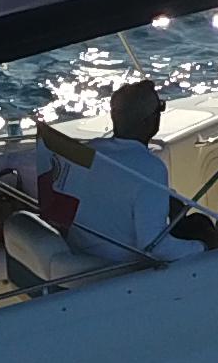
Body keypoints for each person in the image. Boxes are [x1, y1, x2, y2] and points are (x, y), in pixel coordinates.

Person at [72, 79, 207, 266]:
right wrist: (203, 247)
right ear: (149, 120)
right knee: (202, 227)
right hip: (123, 268)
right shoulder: (150, 168)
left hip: (85, 253)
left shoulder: (88, 151)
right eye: (159, 108)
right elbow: (154, 246)